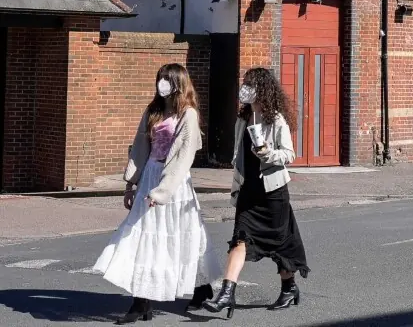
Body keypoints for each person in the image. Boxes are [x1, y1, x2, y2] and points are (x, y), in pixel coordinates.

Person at [93, 63, 223, 324]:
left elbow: (184, 157)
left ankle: (200, 287)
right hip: (150, 175)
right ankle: (141, 301)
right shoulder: (152, 110)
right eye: (159, 78)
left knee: (180, 236)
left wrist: (162, 192)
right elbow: (141, 147)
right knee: (143, 239)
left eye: (167, 79)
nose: (161, 83)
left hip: (173, 183)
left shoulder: (188, 114)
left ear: (178, 83)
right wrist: (131, 183)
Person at [204, 67, 309, 319]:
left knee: (280, 243)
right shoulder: (243, 118)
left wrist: (268, 153)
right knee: (240, 238)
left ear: (262, 89)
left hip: (273, 192)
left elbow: (289, 154)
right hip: (249, 190)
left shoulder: (276, 120)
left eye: (250, 84)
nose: (245, 88)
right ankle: (227, 293)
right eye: (244, 84)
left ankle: (289, 288)